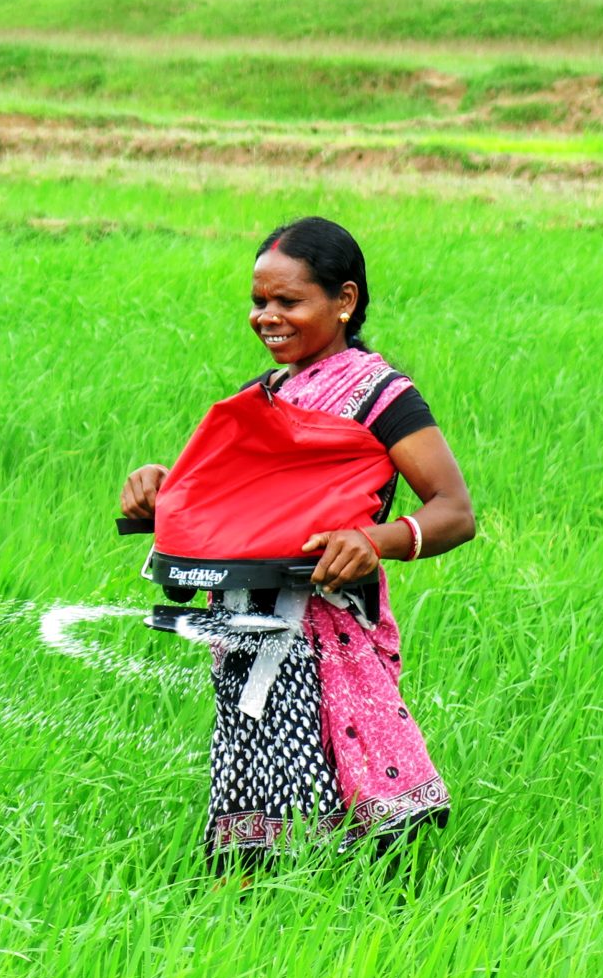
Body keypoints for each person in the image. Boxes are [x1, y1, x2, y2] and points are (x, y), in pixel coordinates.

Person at [120, 217, 475, 870]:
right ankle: (260, 930)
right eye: (259, 302)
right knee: (253, 822)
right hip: (249, 631)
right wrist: (159, 494)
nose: (267, 317)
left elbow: (453, 511)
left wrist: (377, 540)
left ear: (344, 300)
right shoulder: (265, 398)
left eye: (289, 301)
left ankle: (392, 929)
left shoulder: (380, 394)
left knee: (377, 825)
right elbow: (221, 508)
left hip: (334, 629)